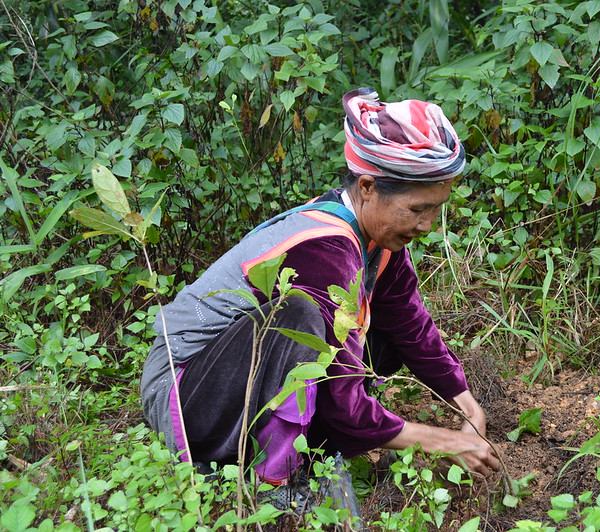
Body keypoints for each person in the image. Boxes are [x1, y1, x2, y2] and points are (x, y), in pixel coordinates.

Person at [139, 87, 501, 501]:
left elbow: (411, 326)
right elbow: (339, 394)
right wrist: (442, 440)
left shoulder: (379, 238)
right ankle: (276, 482)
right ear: (367, 187)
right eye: (417, 209)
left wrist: (464, 400)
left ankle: (310, 441)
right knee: (299, 316)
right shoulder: (322, 246)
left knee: (389, 334)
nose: (427, 225)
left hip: (235, 381)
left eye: (436, 209)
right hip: (185, 395)